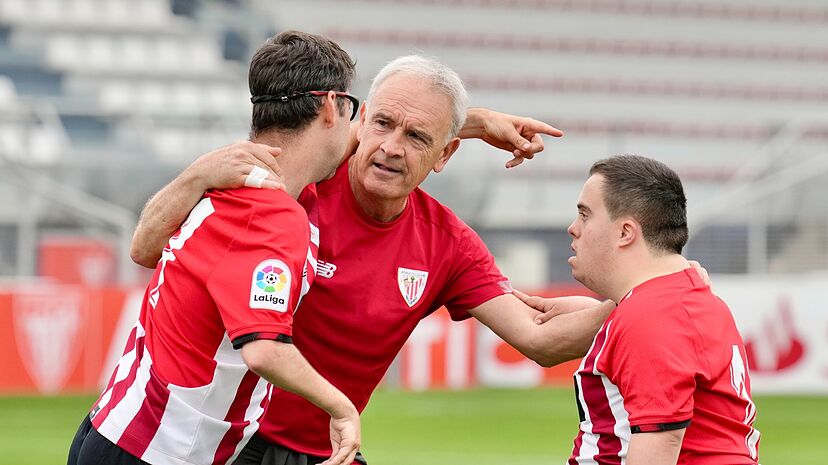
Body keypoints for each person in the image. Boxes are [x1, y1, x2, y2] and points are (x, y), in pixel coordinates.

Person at [130, 55, 617, 465]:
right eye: (381, 124)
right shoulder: (301, 178)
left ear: (444, 154)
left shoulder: (448, 243)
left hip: (331, 449)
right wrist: (197, 175)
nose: (391, 148)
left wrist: (641, 297)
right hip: (230, 442)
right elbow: (146, 249)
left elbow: (539, 338)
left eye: (418, 138)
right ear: (358, 123)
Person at [67, 31, 363, 465]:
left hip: (120, 433)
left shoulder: (236, 181)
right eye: (351, 107)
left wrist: (460, 123)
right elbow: (264, 349)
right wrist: (341, 407)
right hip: (158, 450)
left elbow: (143, 250)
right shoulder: (270, 213)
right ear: (330, 106)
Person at [521, 155, 760, 464]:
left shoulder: (652, 315)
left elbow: (661, 441)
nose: (572, 228)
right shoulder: (678, 298)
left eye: (584, 215)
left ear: (625, 232)